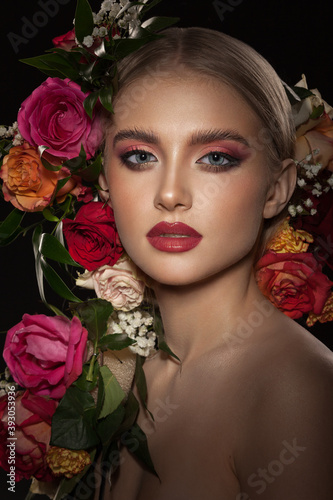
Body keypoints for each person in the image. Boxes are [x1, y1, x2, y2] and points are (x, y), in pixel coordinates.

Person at [96, 27, 333, 499]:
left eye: (216, 159)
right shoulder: (117, 369)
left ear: (276, 190)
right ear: (105, 183)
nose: (170, 195)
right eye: (140, 156)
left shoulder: (298, 393)